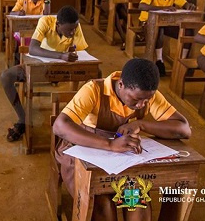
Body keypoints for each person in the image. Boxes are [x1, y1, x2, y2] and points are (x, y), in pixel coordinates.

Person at [53, 58, 191, 220]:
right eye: (136, 100)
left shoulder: (146, 92)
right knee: (102, 204)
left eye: (146, 101)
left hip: (121, 156)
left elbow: (184, 129)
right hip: (82, 147)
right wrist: (110, 144)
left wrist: (142, 125)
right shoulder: (93, 90)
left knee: (138, 204)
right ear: (121, 85)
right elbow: (60, 126)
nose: (141, 105)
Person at [0, 6, 88, 142]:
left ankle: (79, 118)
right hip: (39, 67)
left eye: (74, 29)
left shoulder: (75, 26)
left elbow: (80, 50)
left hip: (63, 69)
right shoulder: (45, 21)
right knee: (6, 77)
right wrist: (61, 55)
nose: (72, 32)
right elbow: (33, 49)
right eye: (69, 30)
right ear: (58, 24)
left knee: (95, 75)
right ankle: (23, 119)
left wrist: (72, 53)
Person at [138, 0, 196, 76]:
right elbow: (141, 6)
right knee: (159, 29)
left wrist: (188, 5)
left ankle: (181, 61)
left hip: (167, 24)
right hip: (148, 23)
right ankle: (159, 61)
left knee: (188, 32)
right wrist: (163, 8)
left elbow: (184, 3)